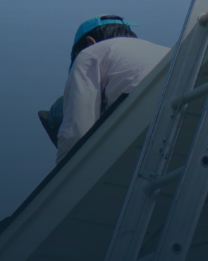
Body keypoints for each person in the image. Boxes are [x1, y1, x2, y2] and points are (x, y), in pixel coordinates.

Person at [54, 15, 169, 164]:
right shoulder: (162, 49)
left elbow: (77, 131)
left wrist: (65, 174)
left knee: (58, 110)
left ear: (90, 42)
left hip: (145, 121)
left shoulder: (90, 53)